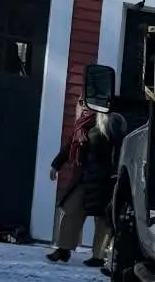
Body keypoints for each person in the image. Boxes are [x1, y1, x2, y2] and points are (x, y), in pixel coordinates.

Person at [47, 82, 125, 267]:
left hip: (105, 178)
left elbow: (120, 148)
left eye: (84, 100)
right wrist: (55, 166)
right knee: (70, 209)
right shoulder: (82, 124)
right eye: (80, 100)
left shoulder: (110, 122)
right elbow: (69, 147)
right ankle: (63, 249)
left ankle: (98, 256)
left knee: (103, 218)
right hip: (83, 176)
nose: (81, 103)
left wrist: (117, 174)